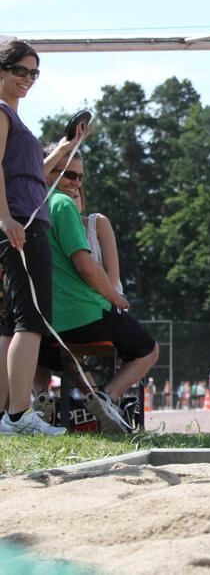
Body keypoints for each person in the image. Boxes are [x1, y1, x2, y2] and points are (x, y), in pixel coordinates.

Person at [0, 41, 87, 436]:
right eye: (20, 70)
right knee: (30, 320)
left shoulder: (14, 119)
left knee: (12, 323)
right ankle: (18, 415)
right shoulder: (2, 114)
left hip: (23, 217)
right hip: (20, 222)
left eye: (34, 73)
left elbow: (33, 172)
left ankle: (10, 412)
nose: (28, 79)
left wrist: (67, 148)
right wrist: (4, 218)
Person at [42, 149, 158, 433]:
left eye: (80, 177)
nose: (76, 183)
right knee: (148, 349)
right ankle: (107, 397)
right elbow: (87, 267)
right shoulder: (62, 204)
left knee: (37, 348)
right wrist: (115, 298)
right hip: (83, 312)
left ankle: (39, 398)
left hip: (43, 322)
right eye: (70, 174)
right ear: (48, 170)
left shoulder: (25, 206)